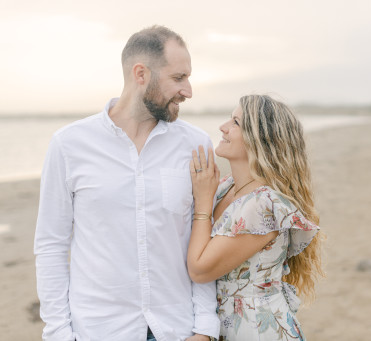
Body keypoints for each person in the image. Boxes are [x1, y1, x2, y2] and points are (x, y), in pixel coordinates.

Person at [34, 26, 219, 341]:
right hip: (98, 330)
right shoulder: (69, 144)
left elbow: (202, 237)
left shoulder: (196, 145)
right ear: (141, 74)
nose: (188, 91)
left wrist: (204, 327)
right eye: (178, 78)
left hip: (175, 329)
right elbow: (51, 244)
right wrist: (59, 334)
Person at [187, 94, 324, 340]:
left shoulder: (264, 204)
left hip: (256, 329)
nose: (223, 127)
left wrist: (202, 204)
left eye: (236, 122)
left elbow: (200, 270)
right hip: (223, 325)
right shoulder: (224, 188)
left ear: (261, 139)